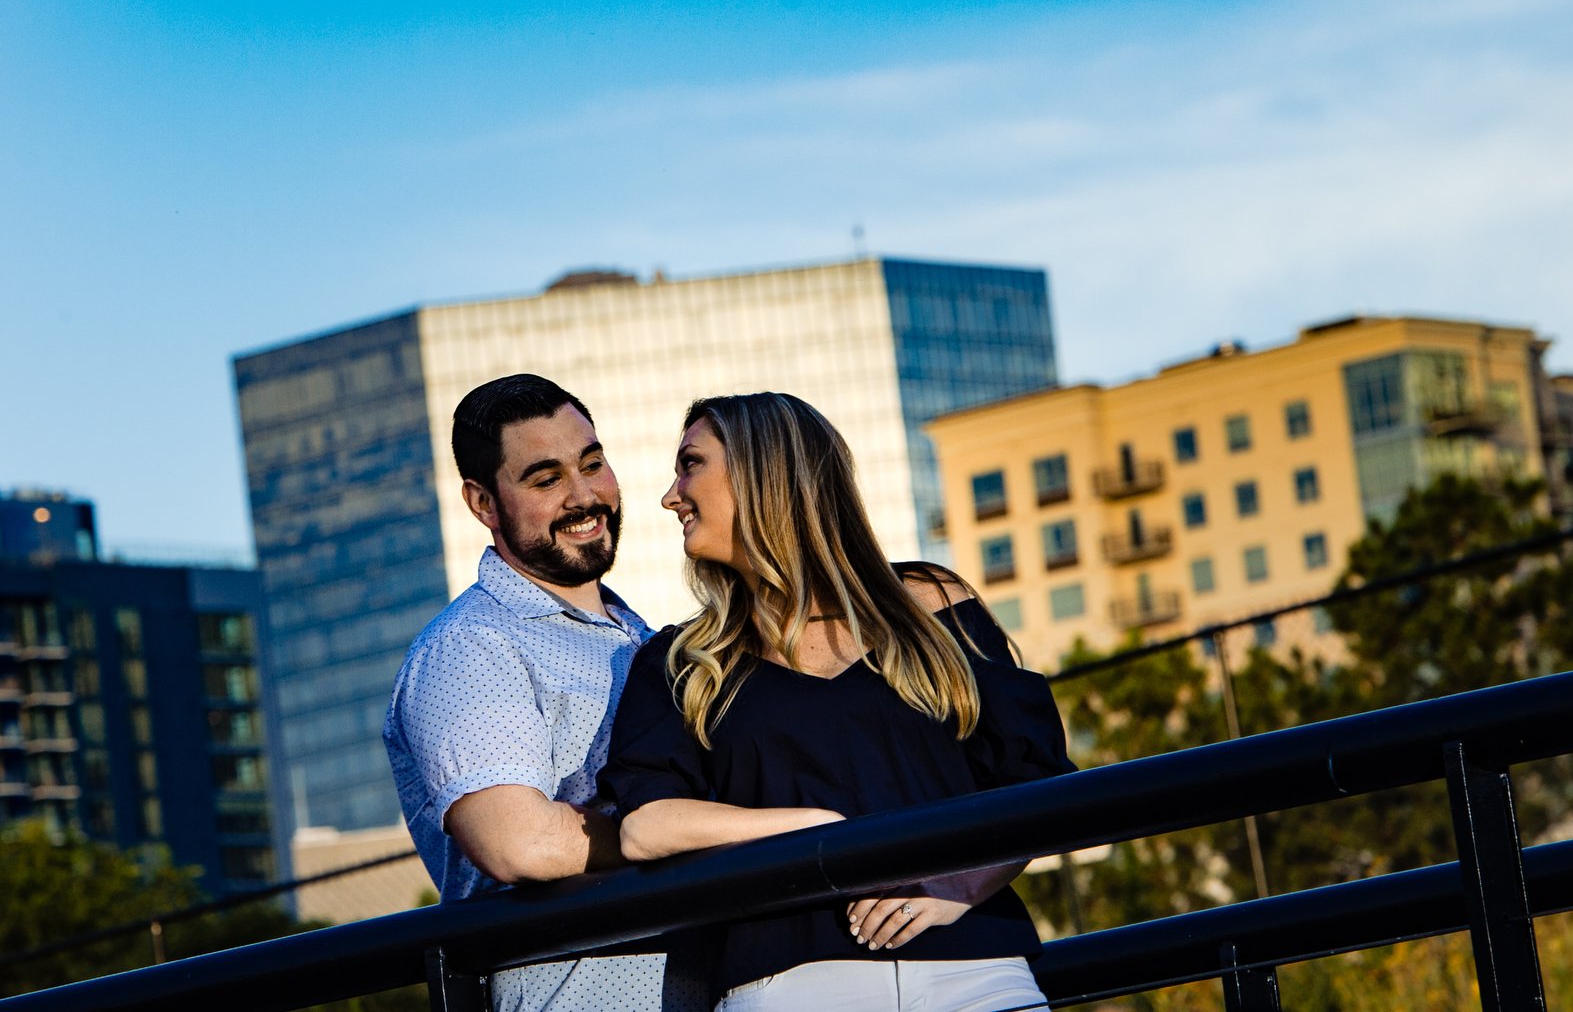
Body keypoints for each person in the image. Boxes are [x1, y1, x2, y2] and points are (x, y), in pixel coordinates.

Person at [601, 392, 1074, 1012]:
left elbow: (1034, 783)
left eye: (691, 464)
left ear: (763, 471)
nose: (671, 495)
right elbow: (645, 828)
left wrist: (956, 885)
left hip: (978, 969)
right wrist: (819, 831)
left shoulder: (932, 605)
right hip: (790, 983)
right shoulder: (682, 661)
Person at [382, 374, 707, 1012]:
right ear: (483, 504)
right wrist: (698, 830)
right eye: (545, 478)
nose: (584, 496)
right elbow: (520, 842)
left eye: (593, 463)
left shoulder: (636, 637)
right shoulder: (471, 646)